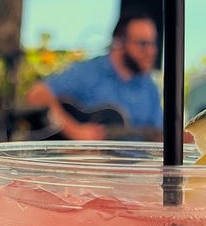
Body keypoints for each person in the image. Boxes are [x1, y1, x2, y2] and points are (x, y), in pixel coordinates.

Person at [25, 13, 164, 140]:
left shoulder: (150, 87)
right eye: (143, 44)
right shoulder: (88, 71)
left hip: (136, 166)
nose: (151, 51)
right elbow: (36, 95)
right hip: (84, 165)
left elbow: (158, 135)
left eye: (154, 43)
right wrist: (74, 130)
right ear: (119, 43)